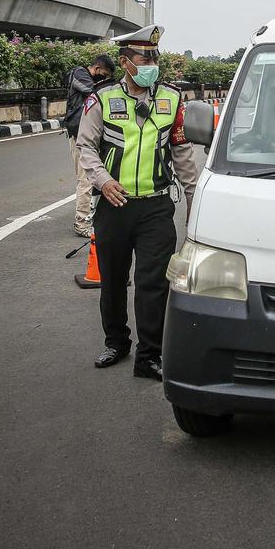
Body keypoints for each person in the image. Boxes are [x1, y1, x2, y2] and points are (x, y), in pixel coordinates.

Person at [76, 25, 199, 380]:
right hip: (114, 208)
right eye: (146, 57)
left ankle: (150, 354)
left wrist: (194, 202)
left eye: (156, 57)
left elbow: (183, 155)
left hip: (156, 208)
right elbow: (86, 146)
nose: (153, 64)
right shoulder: (100, 100)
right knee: (113, 280)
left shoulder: (172, 100)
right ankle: (116, 342)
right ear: (125, 62)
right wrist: (103, 180)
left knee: (153, 283)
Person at [62, 54, 116, 237]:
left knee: (97, 176)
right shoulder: (79, 74)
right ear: (98, 69)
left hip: (90, 135)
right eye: (104, 75)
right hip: (78, 134)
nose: (104, 79)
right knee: (85, 179)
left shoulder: (88, 78)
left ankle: (92, 216)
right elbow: (93, 92)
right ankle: (81, 222)